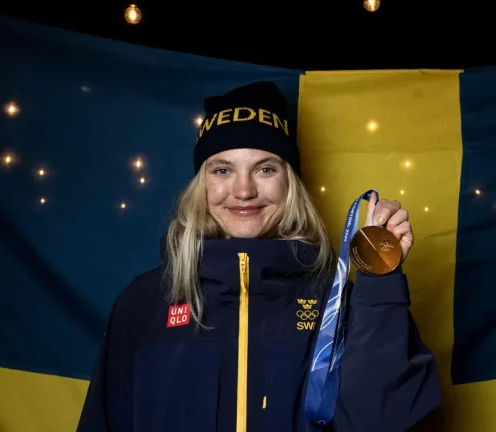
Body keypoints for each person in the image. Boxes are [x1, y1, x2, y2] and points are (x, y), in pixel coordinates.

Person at [77, 81, 441, 431]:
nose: (243, 190)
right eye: (222, 170)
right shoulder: (144, 302)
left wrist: (380, 282)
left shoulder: (335, 300)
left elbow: (380, 421)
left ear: (290, 182)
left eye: (265, 169)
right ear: (201, 184)